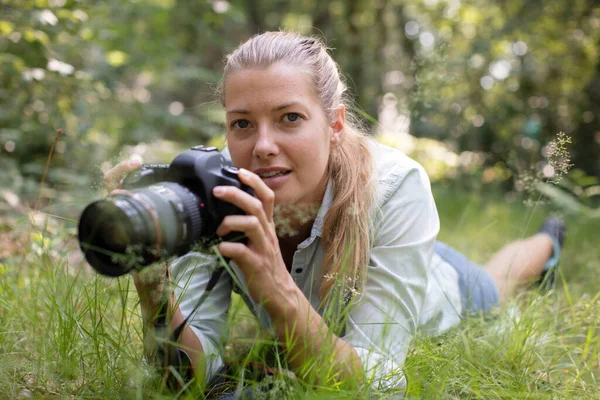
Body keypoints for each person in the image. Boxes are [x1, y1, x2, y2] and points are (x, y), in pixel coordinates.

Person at [103, 31, 566, 396]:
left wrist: (276, 287)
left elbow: (381, 384)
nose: (263, 146)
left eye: (290, 118)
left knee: (498, 284)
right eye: (242, 123)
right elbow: (184, 380)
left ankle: (549, 240)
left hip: (439, 287)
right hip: (379, 260)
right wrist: (153, 283)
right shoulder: (216, 190)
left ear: (335, 124)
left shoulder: (396, 186)